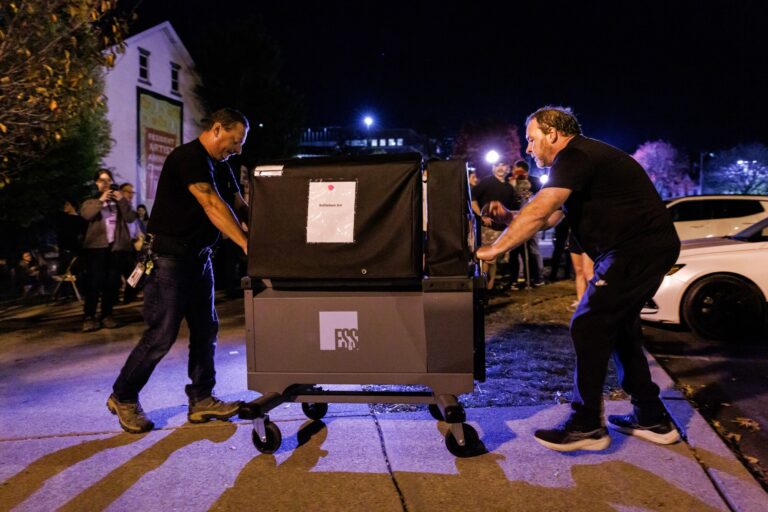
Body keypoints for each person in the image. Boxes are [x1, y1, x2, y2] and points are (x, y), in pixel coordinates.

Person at [477, 106, 681, 452]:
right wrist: (510, 218)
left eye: (531, 139)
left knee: (588, 325)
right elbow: (549, 216)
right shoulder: (581, 161)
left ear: (553, 134)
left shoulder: (576, 155)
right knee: (620, 330)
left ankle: (587, 424)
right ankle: (651, 417)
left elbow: (542, 208)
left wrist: (494, 249)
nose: (528, 148)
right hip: (638, 251)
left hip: (635, 251)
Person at [107, 108, 250, 434]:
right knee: (162, 334)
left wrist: (262, 231)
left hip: (200, 259)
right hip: (168, 260)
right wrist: (244, 243)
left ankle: (201, 399)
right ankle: (123, 395)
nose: (238, 149)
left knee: (206, 330)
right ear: (217, 129)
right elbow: (211, 203)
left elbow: (238, 205)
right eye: (235, 140)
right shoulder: (187, 158)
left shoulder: (223, 165)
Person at [80, 169, 137, 332]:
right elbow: (86, 215)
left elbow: (131, 218)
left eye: (108, 180)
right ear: (96, 183)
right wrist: (101, 200)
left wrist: (121, 200)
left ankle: (107, 315)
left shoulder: (118, 202)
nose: (105, 183)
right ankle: (89, 316)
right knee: (94, 283)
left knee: (111, 283)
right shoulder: (91, 201)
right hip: (96, 248)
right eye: (101, 180)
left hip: (116, 248)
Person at [471, 159, 520, 292]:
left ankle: (490, 288)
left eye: (503, 165)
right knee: (487, 259)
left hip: (503, 230)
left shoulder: (509, 188)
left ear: (508, 168)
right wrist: (481, 216)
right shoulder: (487, 182)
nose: (500, 168)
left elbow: (514, 208)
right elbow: (472, 198)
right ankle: (482, 288)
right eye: (497, 165)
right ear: (493, 167)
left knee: (498, 262)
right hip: (488, 229)